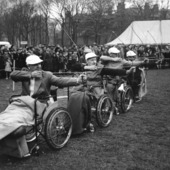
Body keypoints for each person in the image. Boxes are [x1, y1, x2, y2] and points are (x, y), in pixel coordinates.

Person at [0, 54, 84, 141]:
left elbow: (60, 81)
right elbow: (13, 74)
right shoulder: (25, 73)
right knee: (8, 116)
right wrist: (31, 75)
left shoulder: (46, 75)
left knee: (19, 118)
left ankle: (11, 130)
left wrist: (77, 80)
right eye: (35, 64)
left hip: (40, 103)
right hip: (24, 102)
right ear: (28, 66)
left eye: (39, 64)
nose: (39, 66)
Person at [67, 52, 135, 134]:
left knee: (89, 99)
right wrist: (86, 67)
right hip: (84, 88)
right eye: (91, 60)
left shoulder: (99, 68)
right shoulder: (84, 67)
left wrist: (126, 72)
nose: (94, 61)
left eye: (95, 59)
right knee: (75, 96)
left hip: (97, 89)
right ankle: (76, 119)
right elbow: (72, 66)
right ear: (87, 61)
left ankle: (89, 122)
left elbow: (112, 71)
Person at [100, 47, 149, 112]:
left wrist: (142, 62)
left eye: (116, 53)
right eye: (114, 53)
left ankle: (112, 106)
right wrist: (113, 59)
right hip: (108, 79)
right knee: (107, 89)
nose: (115, 54)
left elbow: (132, 63)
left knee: (113, 90)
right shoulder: (107, 60)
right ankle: (110, 106)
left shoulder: (121, 60)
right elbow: (101, 57)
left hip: (117, 80)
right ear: (110, 54)